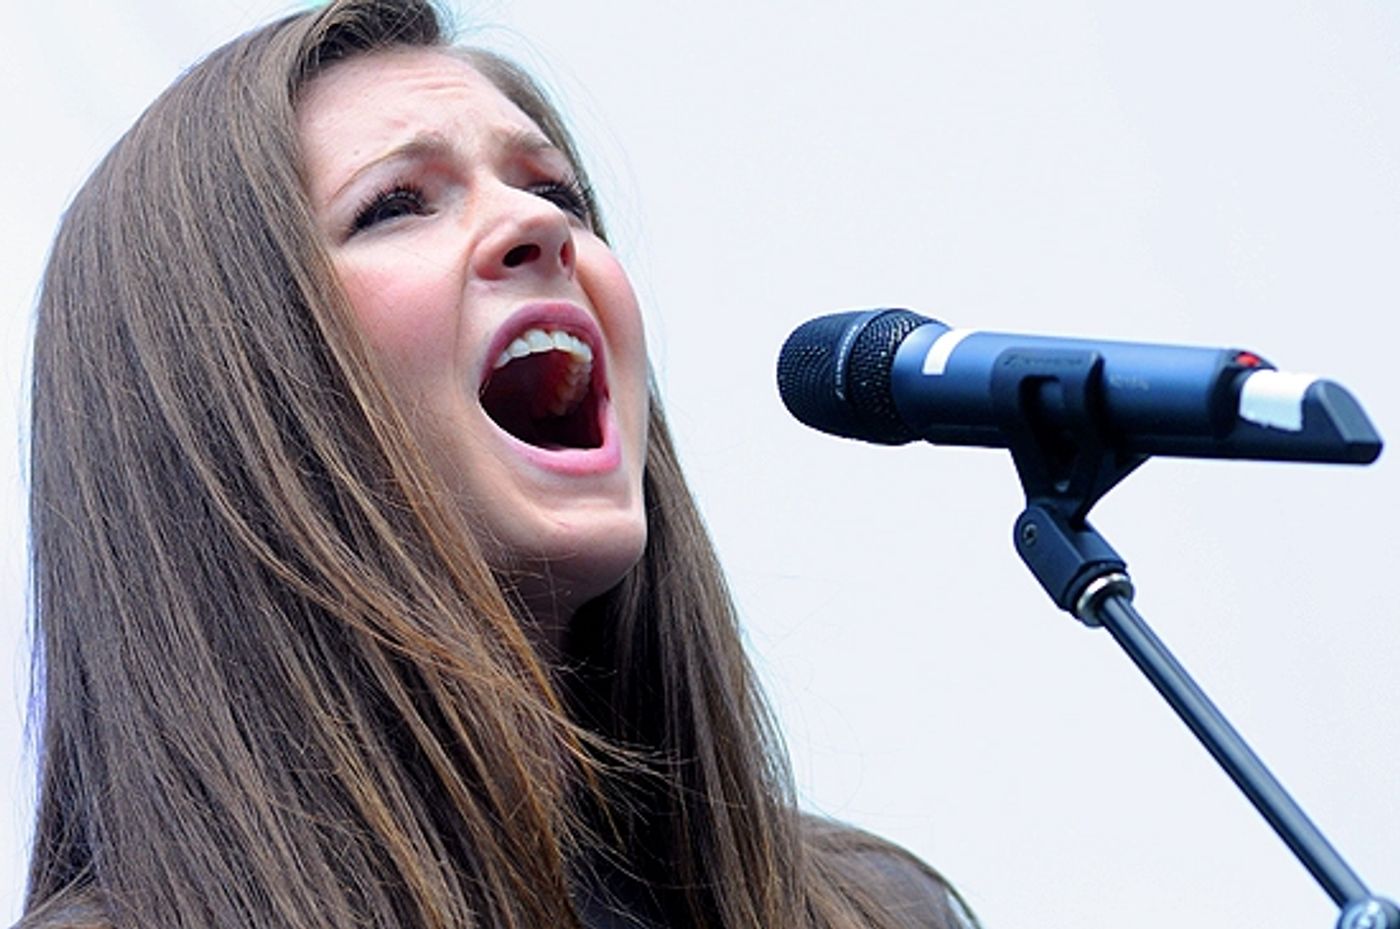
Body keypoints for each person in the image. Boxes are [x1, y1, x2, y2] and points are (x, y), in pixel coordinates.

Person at [20, 1, 977, 926]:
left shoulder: (873, 910)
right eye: (395, 205)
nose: (541, 226)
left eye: (556, 192)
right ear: (224, 393)